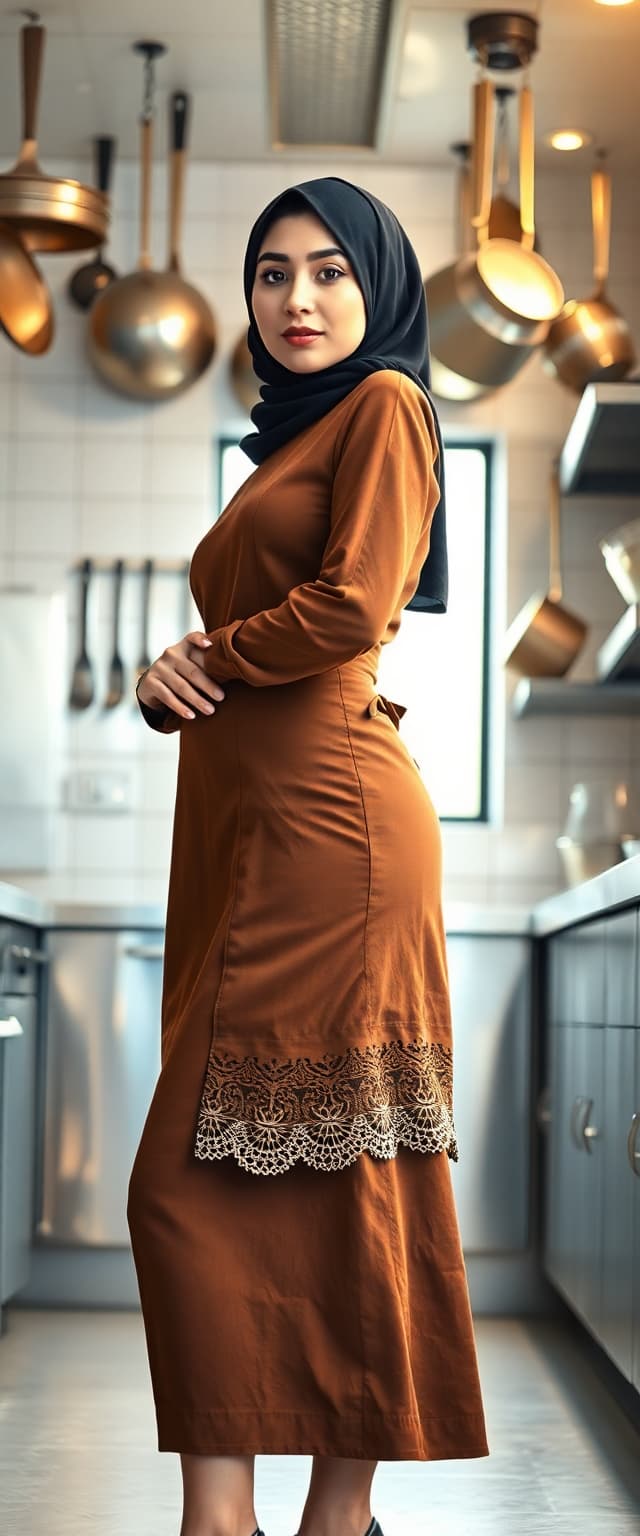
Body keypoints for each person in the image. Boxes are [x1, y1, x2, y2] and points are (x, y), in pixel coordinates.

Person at [127, 176, 489, 1536]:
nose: (297, 298)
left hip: (334, 835)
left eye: (331, 270)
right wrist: (167, 681)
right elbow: (256, 642)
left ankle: (320, 1518)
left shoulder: (388, 403)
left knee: (273, 1174)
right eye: (273, 272)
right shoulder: (287, 444)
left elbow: (348, 607)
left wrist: (206, 654)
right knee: (232, 1178)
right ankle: (237, 1517)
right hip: (251, 833)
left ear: (378, 286)